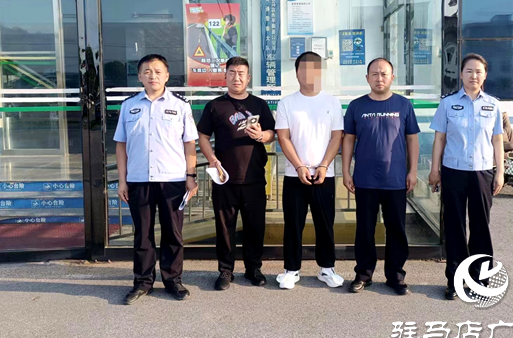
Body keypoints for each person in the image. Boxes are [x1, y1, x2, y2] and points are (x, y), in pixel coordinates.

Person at [114, 54, 199, 305]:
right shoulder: (129, 106)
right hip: (138, 179)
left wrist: (191, 177)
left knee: (173, 233)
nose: (153, 76)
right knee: (143, 235)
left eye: (158, 71)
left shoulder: (180, 105)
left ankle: (173, 280)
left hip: (172, 180)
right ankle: (143, 282)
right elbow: (121, 145)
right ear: (140, 76)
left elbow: (190, 145)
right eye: (147, 71)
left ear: (167, 76)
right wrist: (122, 180)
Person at [428, 53, 505, 300]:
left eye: (478, 71)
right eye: (469, 71)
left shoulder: (493, 105)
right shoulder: (448, 104)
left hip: (483, 172)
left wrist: (500, 172)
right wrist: (435, 169)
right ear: (461, 74)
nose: (474, 75)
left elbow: (497, 140)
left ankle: (479, 279)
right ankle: (454, 280)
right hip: (453, 171)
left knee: (481, 226)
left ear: (485, 75)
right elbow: (440, 139)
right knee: (455, 226)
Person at [342, 58, 420, 295]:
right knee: (365, 230)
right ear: (367, 78)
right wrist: (345, 171)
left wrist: (413, 171)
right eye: (374, 74)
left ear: (392, 77)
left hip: (395, 180)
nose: (379, 78)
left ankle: (395, 275)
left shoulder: (404, 105)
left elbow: (412, 139)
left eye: (384, 74)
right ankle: (363, 274)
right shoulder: (356, 106)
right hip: (365, 179)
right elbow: (348, 139)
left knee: (396, 229)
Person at [197, 57, 276, 290]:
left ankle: (253, 268)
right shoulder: (215, 106)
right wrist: (212, 159)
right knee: (225, 227)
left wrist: (261, 136)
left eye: (241, 73)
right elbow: (202, 136)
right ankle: (225, 270)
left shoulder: (260, 104)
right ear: (225, 76)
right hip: (225, 178)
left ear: (248, 77)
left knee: (255, 226)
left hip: (254, 177)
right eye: (232, 73)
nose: (236, 77)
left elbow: (272, 133)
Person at [275, 51, 344, 290]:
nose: (309, 73)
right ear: (296, 73)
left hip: (325, 173)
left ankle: (327, 269)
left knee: (325, 224)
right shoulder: (286, 103)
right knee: (293, 224)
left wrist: (324, 165)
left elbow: (337, 137)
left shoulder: (332, 102)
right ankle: (291, 270)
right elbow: (283, 137)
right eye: (304, 69)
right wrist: (299, 166)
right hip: (295, 174)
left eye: (315, 68)